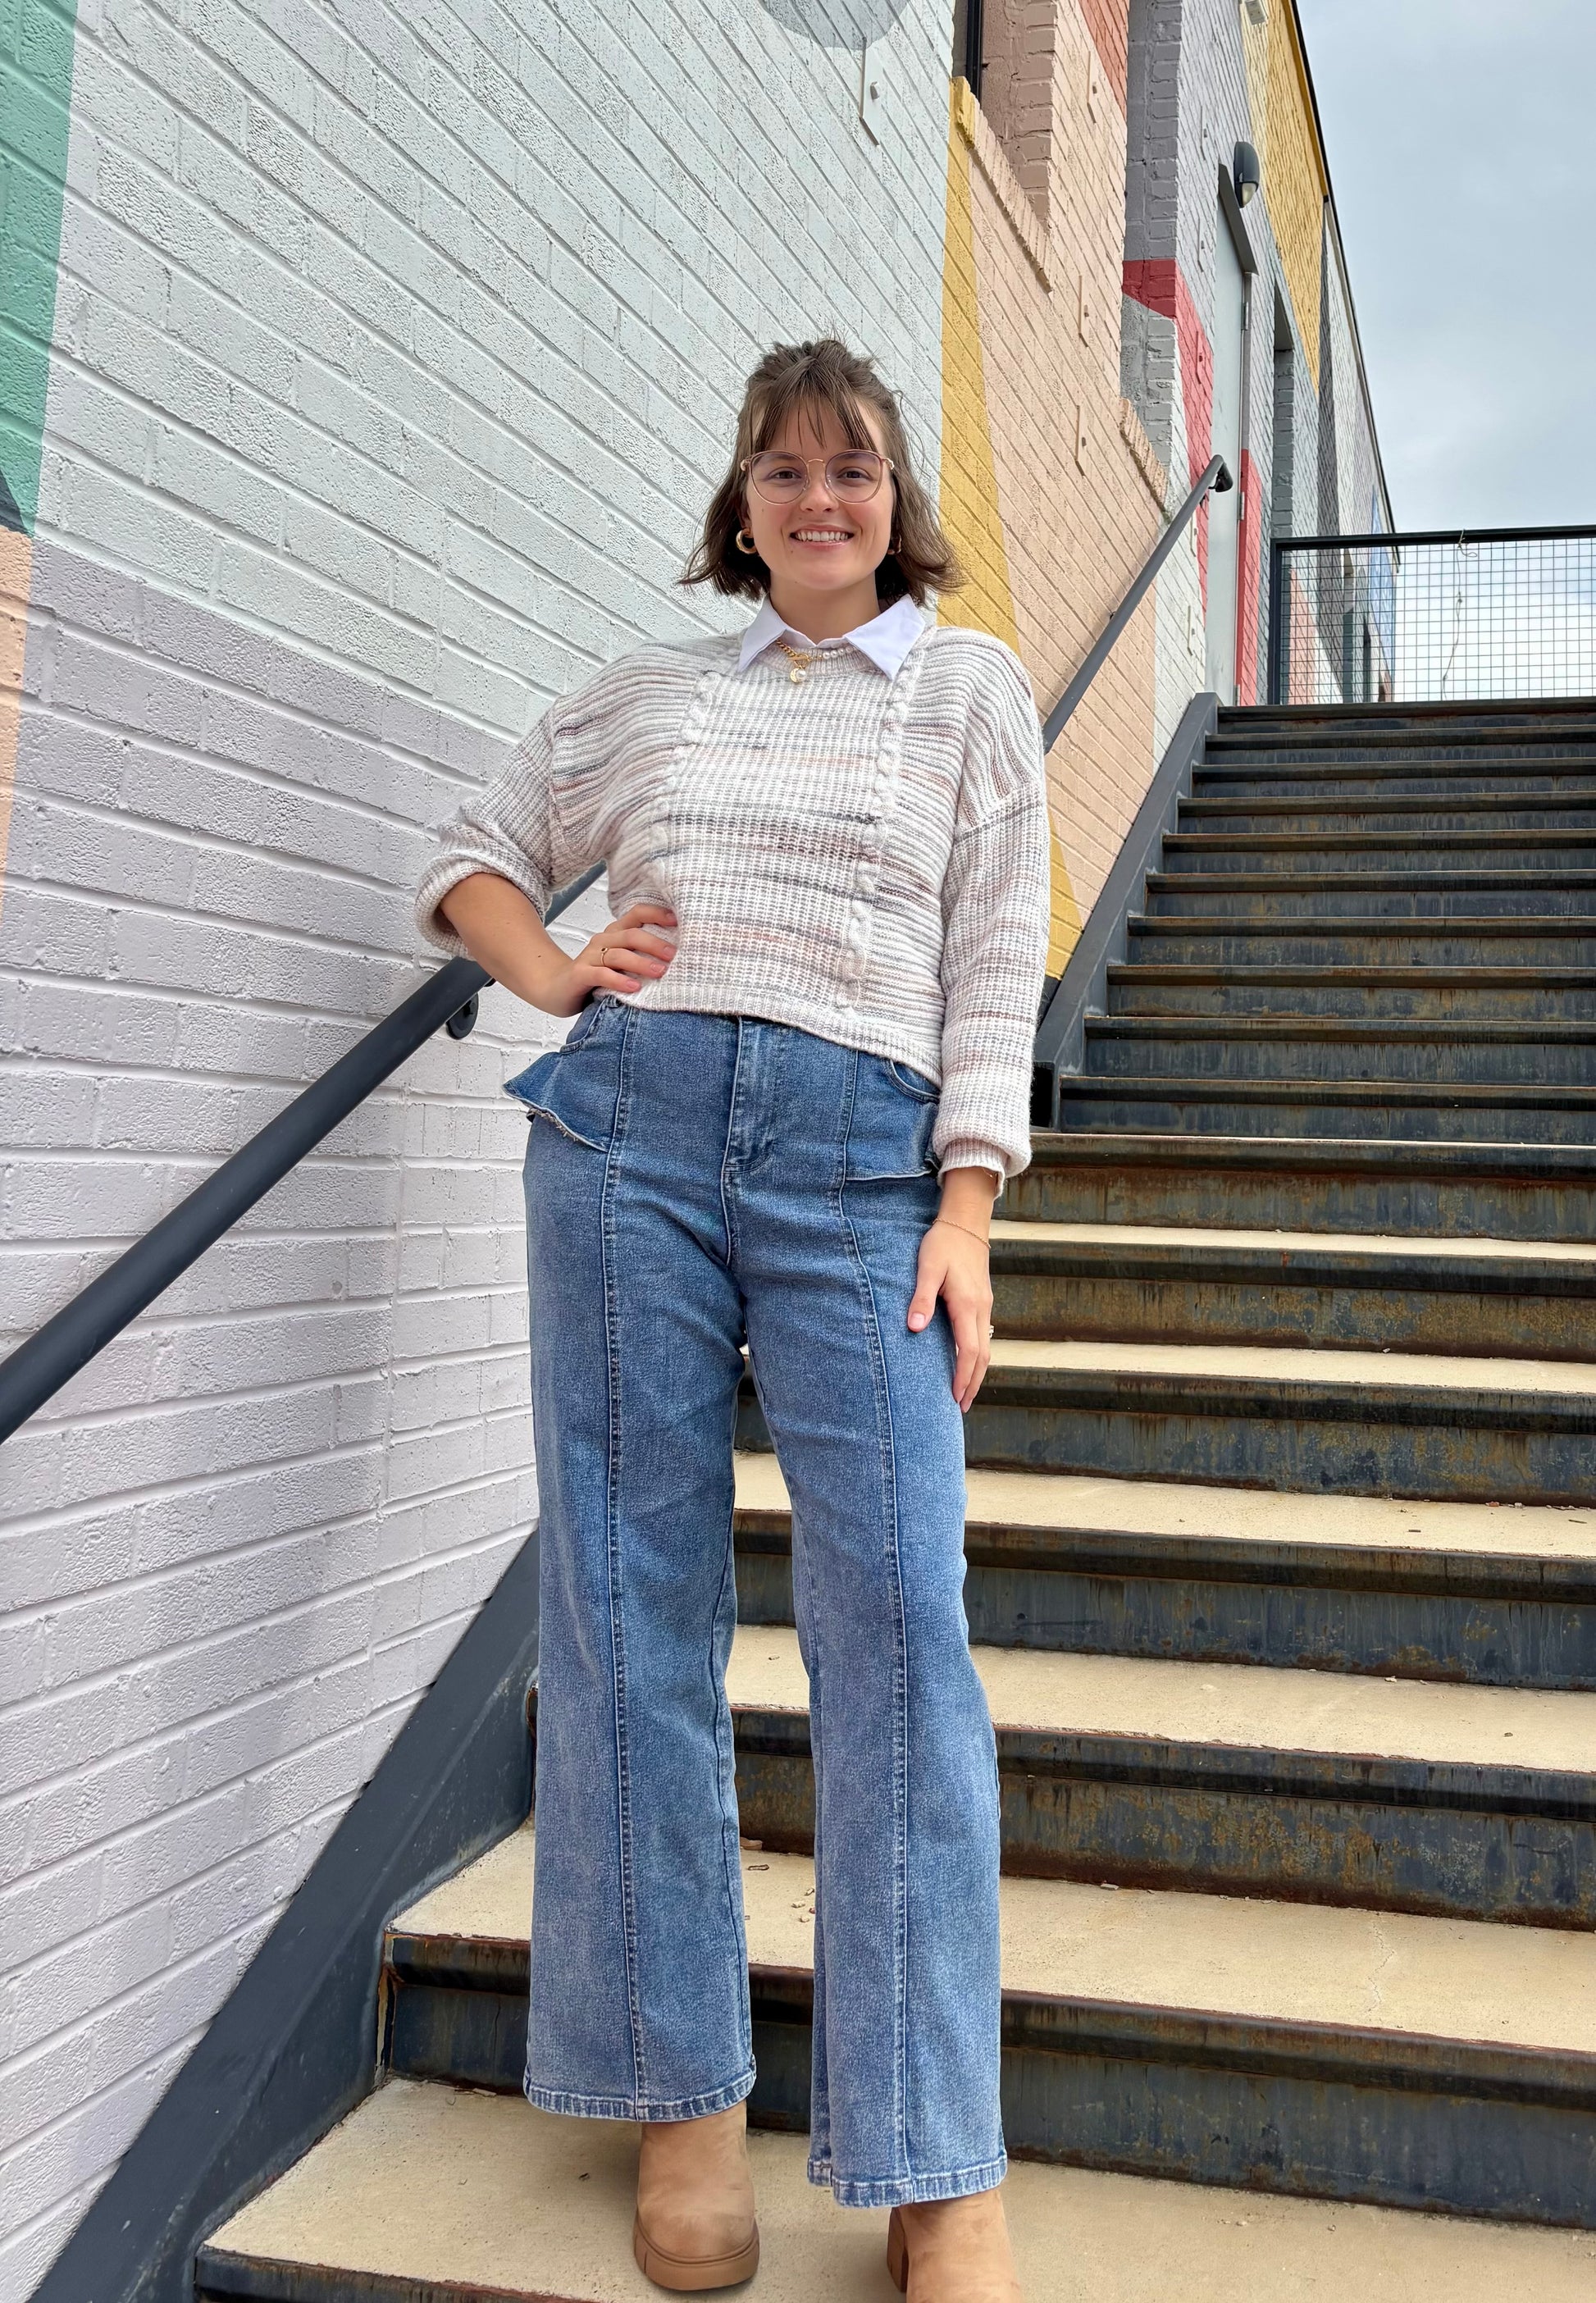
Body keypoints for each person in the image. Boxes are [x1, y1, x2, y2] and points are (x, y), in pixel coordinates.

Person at [415, 338, 1048, 2301]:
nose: (817, 499)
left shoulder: (965, 690)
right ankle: (675, 2099)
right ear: (743, 507)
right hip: (629, 1147)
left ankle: (936, 2162)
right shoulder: (653, 697)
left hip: (867, 1172)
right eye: (782, 471)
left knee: (899, 1630)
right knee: (629, 1613)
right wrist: (551, 975)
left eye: (849, 468)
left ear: (892, 498)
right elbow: (474, 852)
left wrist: (969, 1203)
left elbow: (993, 957)